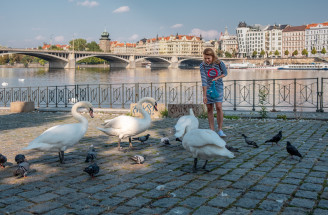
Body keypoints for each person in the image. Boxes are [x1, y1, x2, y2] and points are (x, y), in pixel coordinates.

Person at [200, 48, 228, 137]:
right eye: (205, 58)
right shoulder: (202, 66)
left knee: (219, 107)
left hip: (218, 87)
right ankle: (212, 130)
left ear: (213, 57)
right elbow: (204, 80)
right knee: (209, 108)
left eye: (208, 58)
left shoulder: (219, 63)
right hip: (208, 88)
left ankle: (220, 129)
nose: (207, 60)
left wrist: (218, 77)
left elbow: (225, 73)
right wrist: (204, 95)